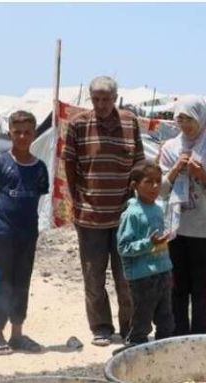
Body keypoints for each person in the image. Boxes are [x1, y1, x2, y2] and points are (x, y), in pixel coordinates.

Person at [62, 76, 144, 346]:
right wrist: (77, 200)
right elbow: (70, 165)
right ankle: (101, 327)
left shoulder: (130, 123)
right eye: (96, 99)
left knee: (127, 277)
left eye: (106, 99)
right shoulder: (78, 125)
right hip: (90, 218)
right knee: (93, 277)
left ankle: (130, 328)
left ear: (115, 98)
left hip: (124, 218)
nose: (101, 104)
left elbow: (139, 164)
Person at [158, 96, 206, 335]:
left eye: (190, 119)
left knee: (201, 292)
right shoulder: (170, 149)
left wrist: (203, 176)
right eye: (180, 119)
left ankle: (200, 341)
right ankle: (178, 339)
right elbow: (160, 190)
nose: (185, 125)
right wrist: (175, 169)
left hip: (203, 232)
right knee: (176, 290)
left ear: (201, 118)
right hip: (175, 232)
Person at [0, 110, 50, 355]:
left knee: (21, 282)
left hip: (27, 235)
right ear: (9, 132)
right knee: (1, 283)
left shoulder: (40, 168)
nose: (22, 137)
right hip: (1, 234)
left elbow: (35, 203)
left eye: (27, 132)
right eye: (17, 132)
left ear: (34, 134)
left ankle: (17, 334)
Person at [116, 163, 173, 346]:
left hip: (163, 272)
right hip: (142, 278)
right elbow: (123, 247)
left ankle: (163, 354)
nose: (155, 186)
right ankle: (135, 353)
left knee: (166, 321)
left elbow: (158, 241)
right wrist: (148, 243)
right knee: (141, 323)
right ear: (135, 185)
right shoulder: (132, 214)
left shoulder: (157, 209)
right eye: (148, 182)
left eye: (158, 181)